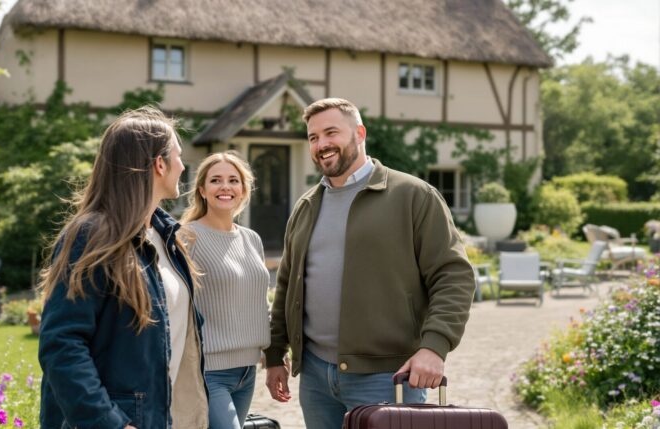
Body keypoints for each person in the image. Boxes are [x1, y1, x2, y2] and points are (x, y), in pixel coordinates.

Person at [264, 98, 475, 428]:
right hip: (316, 378)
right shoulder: (306, 206)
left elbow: (454, 276)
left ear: (359, 133)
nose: (322, 144)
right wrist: (276, 353)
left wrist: (434, 348)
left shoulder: (413, 196)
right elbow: (287, 286)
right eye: (313, 137)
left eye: (331, 132)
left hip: (387, 377)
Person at [37, 107, 208, 429]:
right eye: (178, 155)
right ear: (159, 164)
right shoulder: (93, 235)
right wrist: (109, 422)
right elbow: (62, 345)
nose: (184, 166)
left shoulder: (166, 236)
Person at [179, 151, 271, 429]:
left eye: (233, 180)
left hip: (248, 370)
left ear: (243, 190)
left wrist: (273, 352)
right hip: (208, 371)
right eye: (216, 180)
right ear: (202, 190)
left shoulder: (251, 239)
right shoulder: (186, 237)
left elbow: (258, 302)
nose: (225, 187)